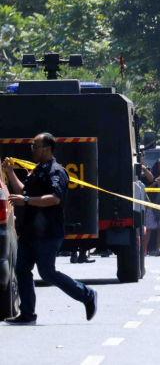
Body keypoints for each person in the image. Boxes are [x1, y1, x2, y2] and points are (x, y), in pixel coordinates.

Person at [2, 133, 97, 325]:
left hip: (48, 232)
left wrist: (26, 201)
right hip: (30, 231)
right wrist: (11, 173)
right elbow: (23, 192)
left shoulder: (56, 172)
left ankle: (87, 294)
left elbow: (54, 198)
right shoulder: (37, 171)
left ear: (46, 149)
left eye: (34, 146)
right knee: (22, 270)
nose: (32, 149)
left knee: (47, 272)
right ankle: (27, 314)